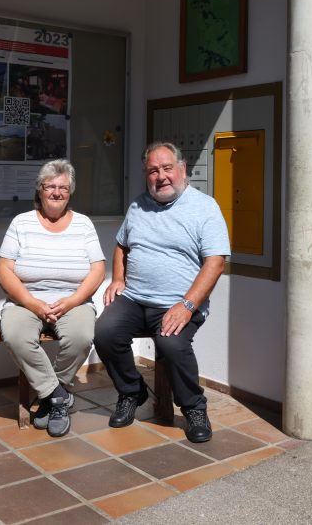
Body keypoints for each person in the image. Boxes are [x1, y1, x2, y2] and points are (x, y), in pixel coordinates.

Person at [93, 142, 230, 443]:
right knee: (104, 332)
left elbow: (216, 263)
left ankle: (194, 408)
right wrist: (118, 279)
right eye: (153, 171)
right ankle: (132, 392)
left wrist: (187, 305)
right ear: (146, 175)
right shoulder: (137, 206)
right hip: (135, 298)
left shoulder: (205, 208)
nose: (161, 176)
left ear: (182, 169)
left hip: (178, 302)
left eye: (167, 168)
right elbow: (121, 245)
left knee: (171, 344)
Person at [0, 159, 105, 436]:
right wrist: (32, 303)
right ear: (40, 189)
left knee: (81, 337)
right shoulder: (21, 222)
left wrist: (72, 301)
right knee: (15, 336)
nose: (57, 192)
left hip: (73, 300)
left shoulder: (83, 224)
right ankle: (57, 396)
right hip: (26, 300)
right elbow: (3, 269)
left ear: (70, 192)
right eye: (50, 186)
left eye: (63, 188)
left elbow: (97, 270)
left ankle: (49, 396)